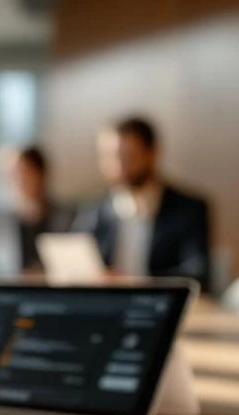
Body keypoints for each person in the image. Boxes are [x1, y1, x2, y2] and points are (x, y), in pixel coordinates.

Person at [73, 116, 211, 288]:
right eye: (110, 157)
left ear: (152, 153)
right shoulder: (93, 211)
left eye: (128, 156)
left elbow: (198, 273)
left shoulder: (188, 210)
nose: (118, 166)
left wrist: (135, 282)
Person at [0, 145, 75, 274]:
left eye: (24, 172)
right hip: (9, 289)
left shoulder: (66, 217)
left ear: (41, 173)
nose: (18, 180)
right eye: (12, 174)